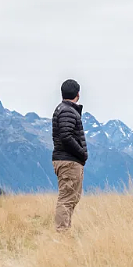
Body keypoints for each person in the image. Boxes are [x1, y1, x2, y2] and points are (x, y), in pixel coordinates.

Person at [51, 79, 88, 232]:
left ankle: (65, 231)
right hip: (69, 161)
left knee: (71, 198)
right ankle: (61, 234)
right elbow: (66, 136)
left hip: (67, 160)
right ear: (77, 94)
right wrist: (82, 153)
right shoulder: (67, 111)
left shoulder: (63, 109)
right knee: (66, 199)